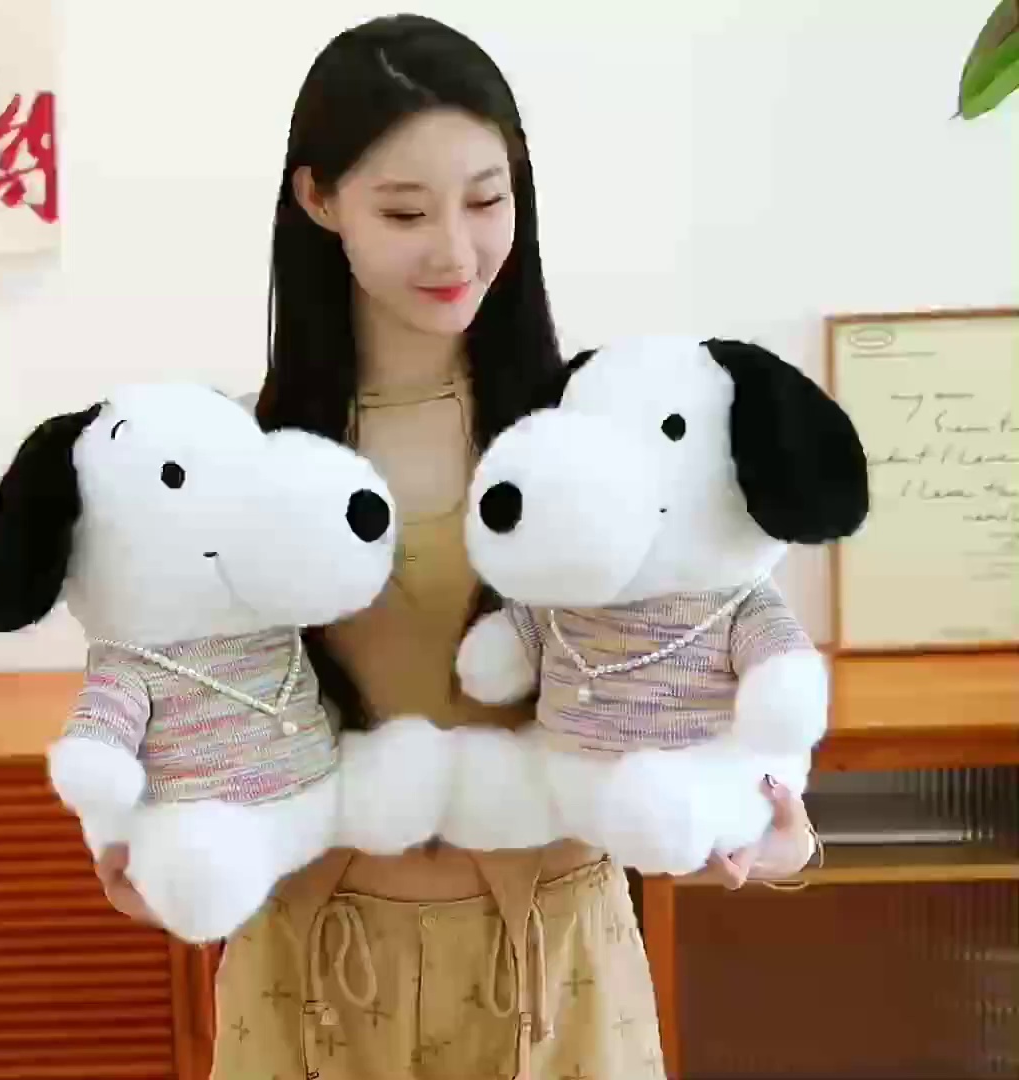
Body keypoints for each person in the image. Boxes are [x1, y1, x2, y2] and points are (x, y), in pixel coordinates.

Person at [95, 14, 819, 1078]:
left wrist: (775, 830)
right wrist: (151, 846)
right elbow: (169, 689)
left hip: (555, 961)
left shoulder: (600, 439)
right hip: (310, 962)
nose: (456, 249)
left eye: (487, 200)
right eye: (405, 210)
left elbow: (721, 636)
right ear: (317, 199)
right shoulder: (237, 460)